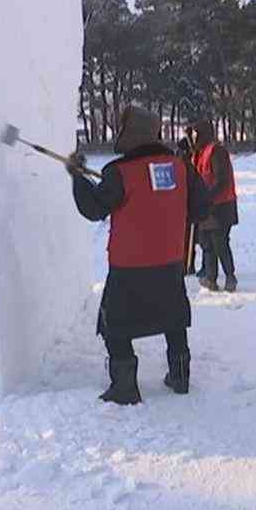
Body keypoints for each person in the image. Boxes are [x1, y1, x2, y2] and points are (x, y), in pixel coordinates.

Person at [68, 106, 209, 405]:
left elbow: (94, 208)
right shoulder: (180, 166)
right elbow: (200, 208)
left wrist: (78, 177)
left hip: (129, 265)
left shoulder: (118, 172)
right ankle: (180, 375)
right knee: (173, 317)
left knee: (115, 324)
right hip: (170, 262)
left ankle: (125, 386)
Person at [190, 119, 239, 292]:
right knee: (206, 243)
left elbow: (222, 180)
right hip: (206, 207)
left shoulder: (216, 151)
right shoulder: (199, 152)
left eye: (196, 134)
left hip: (220, 206)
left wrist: (207, 197)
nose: (193, 138)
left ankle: (230, 276)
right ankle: (210, 278)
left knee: (220, 243)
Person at [176, 133, 199, 276]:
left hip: (187, 205)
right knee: (186, 238)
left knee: (188, 238)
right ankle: (186, 264)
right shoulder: (184, 163)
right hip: (185, 205)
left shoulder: (187, 162)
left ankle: (187, 264)